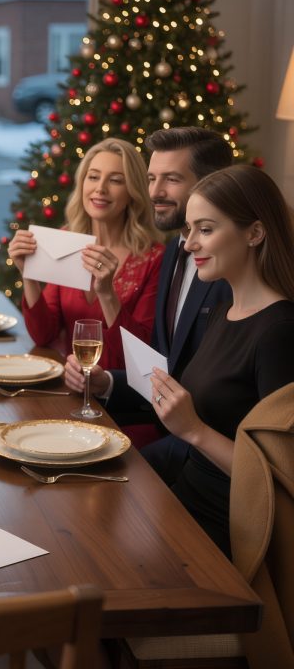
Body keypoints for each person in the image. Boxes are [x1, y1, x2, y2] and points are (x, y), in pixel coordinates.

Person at [146, 165, 294, 556]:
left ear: (255, 233)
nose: (189, 244)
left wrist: (193, 430)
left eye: (205, 230)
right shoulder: (223, 313)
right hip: (183, 501)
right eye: (189, 229)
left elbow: (279, 479)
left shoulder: (279, 332)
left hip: (229, 530)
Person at [64, 127, 233, 449]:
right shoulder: (174, 251)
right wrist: (108, 382)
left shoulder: (227, 269)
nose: (155, 192)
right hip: (160, 422)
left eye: (171, 179)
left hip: (202, 445)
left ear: (210, 184)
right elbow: (162, 365)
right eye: (152, 178)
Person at [7, 137, 163, 370]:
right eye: (93, 177)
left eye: (116, 180)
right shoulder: (67, 241)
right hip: (71, 386)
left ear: (132, 191)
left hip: (121, 398)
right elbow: (43, 335)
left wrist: (107, 294)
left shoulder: (153, 258)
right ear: (82, 184)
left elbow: (140, 355)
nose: (100, 188)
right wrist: (28, 274)